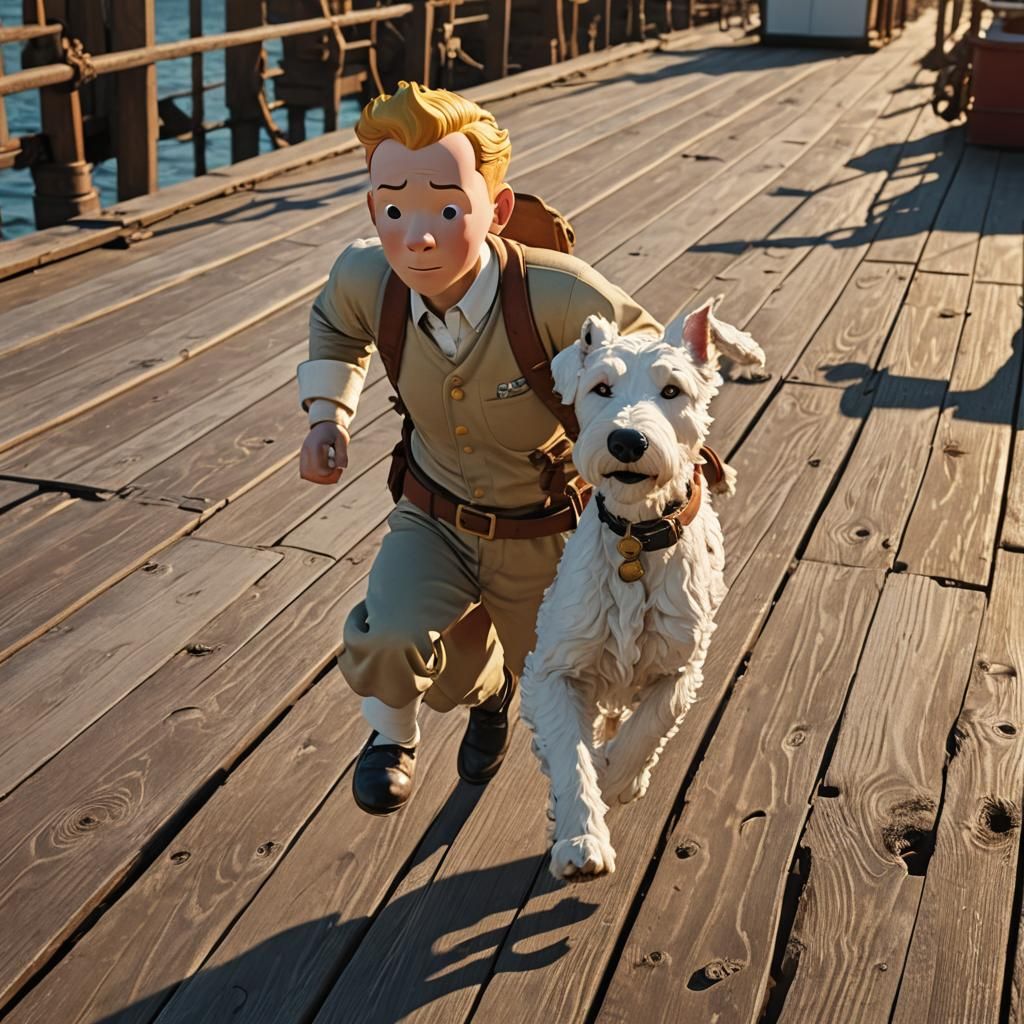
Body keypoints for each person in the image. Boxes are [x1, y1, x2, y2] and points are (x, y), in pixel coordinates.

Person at [297, 81, 660, 815]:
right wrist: (326, 416)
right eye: (394, 209)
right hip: (435, 515)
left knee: (567, 680)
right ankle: (391, 738)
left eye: (447, 208)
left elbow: (646, 361)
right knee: (395, 637)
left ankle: (516, 713)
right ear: (373, 208)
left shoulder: (556, 295)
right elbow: (336, 325)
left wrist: (632, 441)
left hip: (547, 531)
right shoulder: (368, 278)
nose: (419, 235)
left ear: (494, 210)